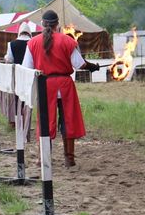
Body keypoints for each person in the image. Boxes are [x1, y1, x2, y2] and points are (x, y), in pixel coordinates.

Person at [22, 10, 98, 167]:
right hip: (64, 86)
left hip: (45, 86)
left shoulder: (33, 42)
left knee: (45, 121)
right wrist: (92, 66)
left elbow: (27, 68)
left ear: (42, 24)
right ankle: (69, 158)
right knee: (68, 119)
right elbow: (79, 64)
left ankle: (43, 158)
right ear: (57, 24)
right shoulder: (68, 41)